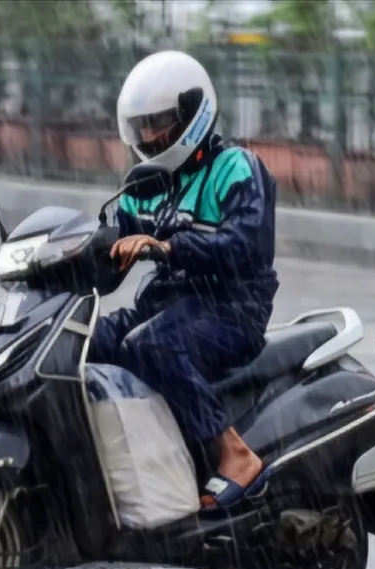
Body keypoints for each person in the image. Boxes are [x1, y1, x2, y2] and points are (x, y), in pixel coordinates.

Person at [90, 50, 280, 510]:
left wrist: (170, 247)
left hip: (231, 309)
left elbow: (246, 246)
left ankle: (235, 455)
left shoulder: (235, 167)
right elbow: (114, 256)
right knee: (80, 340)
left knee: (149, 344)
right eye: (144, 126)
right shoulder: (144, 183)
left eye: (160, 122)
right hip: (165, 305)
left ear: (193, 114)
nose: (151, 135)